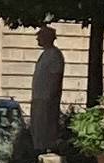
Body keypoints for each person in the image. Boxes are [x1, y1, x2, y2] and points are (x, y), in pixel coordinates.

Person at [29, 26, 66, 156]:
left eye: (39, 36)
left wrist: (51, 97)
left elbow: (56, 77)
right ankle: (39, 154)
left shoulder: (54, 55)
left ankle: (46, 153)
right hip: (39, 97)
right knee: (38, 129)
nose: (37, 39)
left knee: (45, 129)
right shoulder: (45, 54)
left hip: (47, 99)